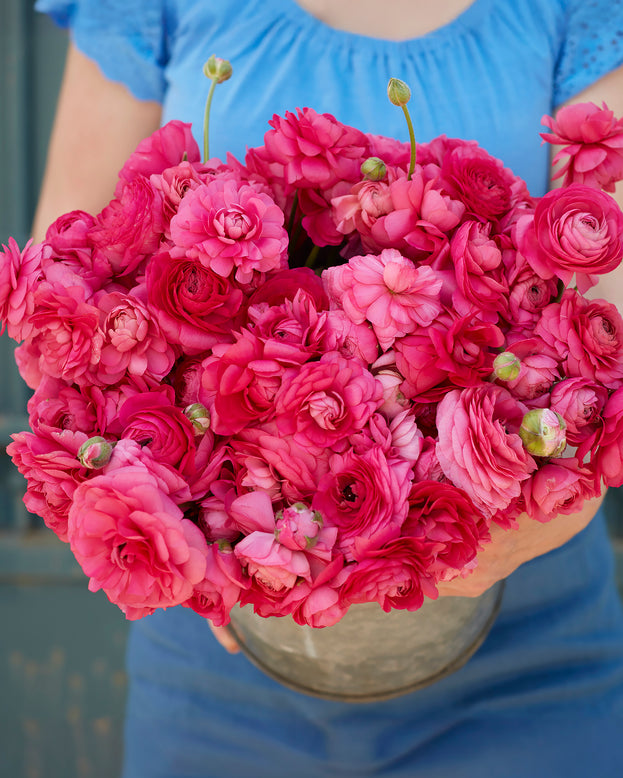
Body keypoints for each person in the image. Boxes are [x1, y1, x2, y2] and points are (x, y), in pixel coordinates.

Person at [31, 1, 623, 775]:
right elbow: (62, 300)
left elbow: (610, 323)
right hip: (221, 673)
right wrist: (183, 541)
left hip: (524, 647)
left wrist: (549, 503)